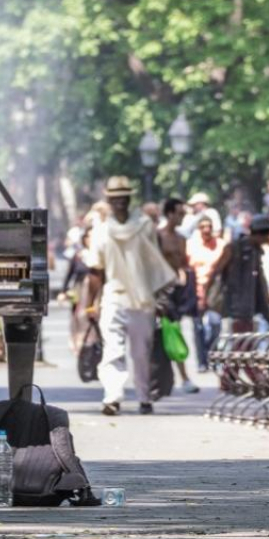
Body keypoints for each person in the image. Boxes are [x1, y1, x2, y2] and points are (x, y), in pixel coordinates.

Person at [84, 176, 176, 416]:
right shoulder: (102, 230)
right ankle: (112, 397)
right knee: (112, 351)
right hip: (114, 296)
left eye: (124, 198)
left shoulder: (145, 225)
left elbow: (154, 263)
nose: (120, 203)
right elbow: (96, 270)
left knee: (141, 354)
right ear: (109, 200)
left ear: (129, 199)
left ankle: (144, 397)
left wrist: (159, 298)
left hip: (142, 299)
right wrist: (90, 304)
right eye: (115, 199)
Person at [157, 198, 198, 393]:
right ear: (170, 214)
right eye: (180, 213)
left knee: (174, 331)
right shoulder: (158, 236)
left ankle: (183, 377)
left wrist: (183, 275)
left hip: (176, 291)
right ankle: (163, 378)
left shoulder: (181, 238)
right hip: (159, 291)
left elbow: (182, 263)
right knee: (159, 335)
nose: (182, 217)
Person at [208, 214, 269, 333]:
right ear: (260, 234)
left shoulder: (256, 251)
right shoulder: (234, 248)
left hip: (248, 310)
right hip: (231, 308)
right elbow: (216, 272)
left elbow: (259, 282)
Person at [187, 217, 227, 371]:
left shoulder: (220, 246)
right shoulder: (191, 246)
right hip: (196, 289)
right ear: (199, 229)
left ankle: (212, 356)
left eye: (209, 226)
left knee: (215, 324)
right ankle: (202, 361)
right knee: (198, 327)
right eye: (203, 226)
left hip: (215, 291)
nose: (206, 229)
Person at [59, 226, 93, 352]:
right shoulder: (78, 256)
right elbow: (69, 274)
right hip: (79, 290)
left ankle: (89, 343)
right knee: (78, 316)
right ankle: (78, 342)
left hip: (95, 292)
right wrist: (63, 292)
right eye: (88, 237)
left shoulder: (99, 255)